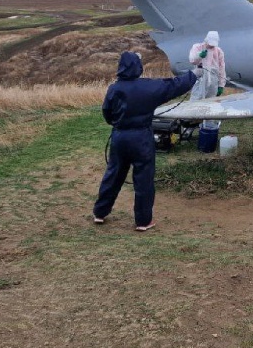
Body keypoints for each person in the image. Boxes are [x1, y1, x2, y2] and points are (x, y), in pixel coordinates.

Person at [93, 51, 197, 231]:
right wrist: (194, 74)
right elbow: (173, 86)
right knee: (143, 179)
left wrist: (118, 125)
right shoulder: (148, 87)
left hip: (119, 137)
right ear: (138, 67)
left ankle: (100, 213)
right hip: (141, 138)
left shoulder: (114, 89)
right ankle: (143, 221)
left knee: (113, 174)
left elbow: (107, 113)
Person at [188, 30, 226, 100]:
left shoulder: (219, 51)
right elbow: (192, 60)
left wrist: (221, 85)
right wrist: (199, 56)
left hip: (213, 80)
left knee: (211, 101)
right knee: (196, 100)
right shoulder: (197, 47)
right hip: (200, 78)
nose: (212, 46)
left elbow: (222, 68)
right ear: (206, 40)